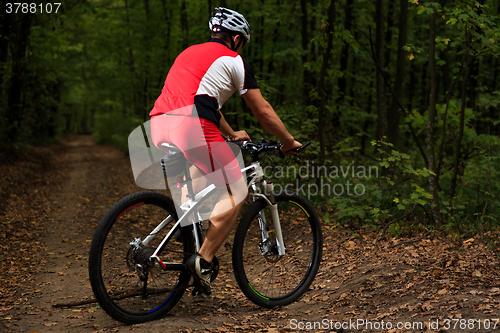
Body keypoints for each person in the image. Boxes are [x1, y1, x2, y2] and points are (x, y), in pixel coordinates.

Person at [149, 7, 302, 295]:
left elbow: (203, 99)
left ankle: (188, 252)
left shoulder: (189, 52)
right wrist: (287, 140)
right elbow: (262, 110)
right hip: (191, 126)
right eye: (242, 42)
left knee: (198, 196)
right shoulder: (234, 60)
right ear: (235, 39)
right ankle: (202, 261)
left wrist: (230, 134)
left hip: (159, 125)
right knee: (236, 191)